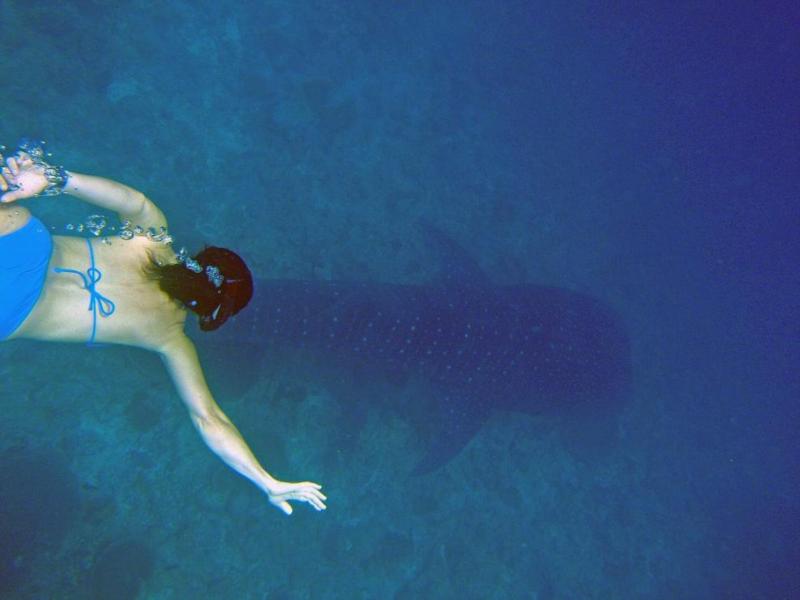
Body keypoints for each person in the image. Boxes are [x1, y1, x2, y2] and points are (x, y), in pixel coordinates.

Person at [0, 139, 326, 516]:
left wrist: (53, 178)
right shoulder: (170, 338)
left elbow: (130, 201)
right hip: (11, 314)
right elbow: (209, 418)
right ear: (212, 314)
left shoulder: (153, 238)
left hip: (23, 242)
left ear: (203, 259)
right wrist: (266, 481)